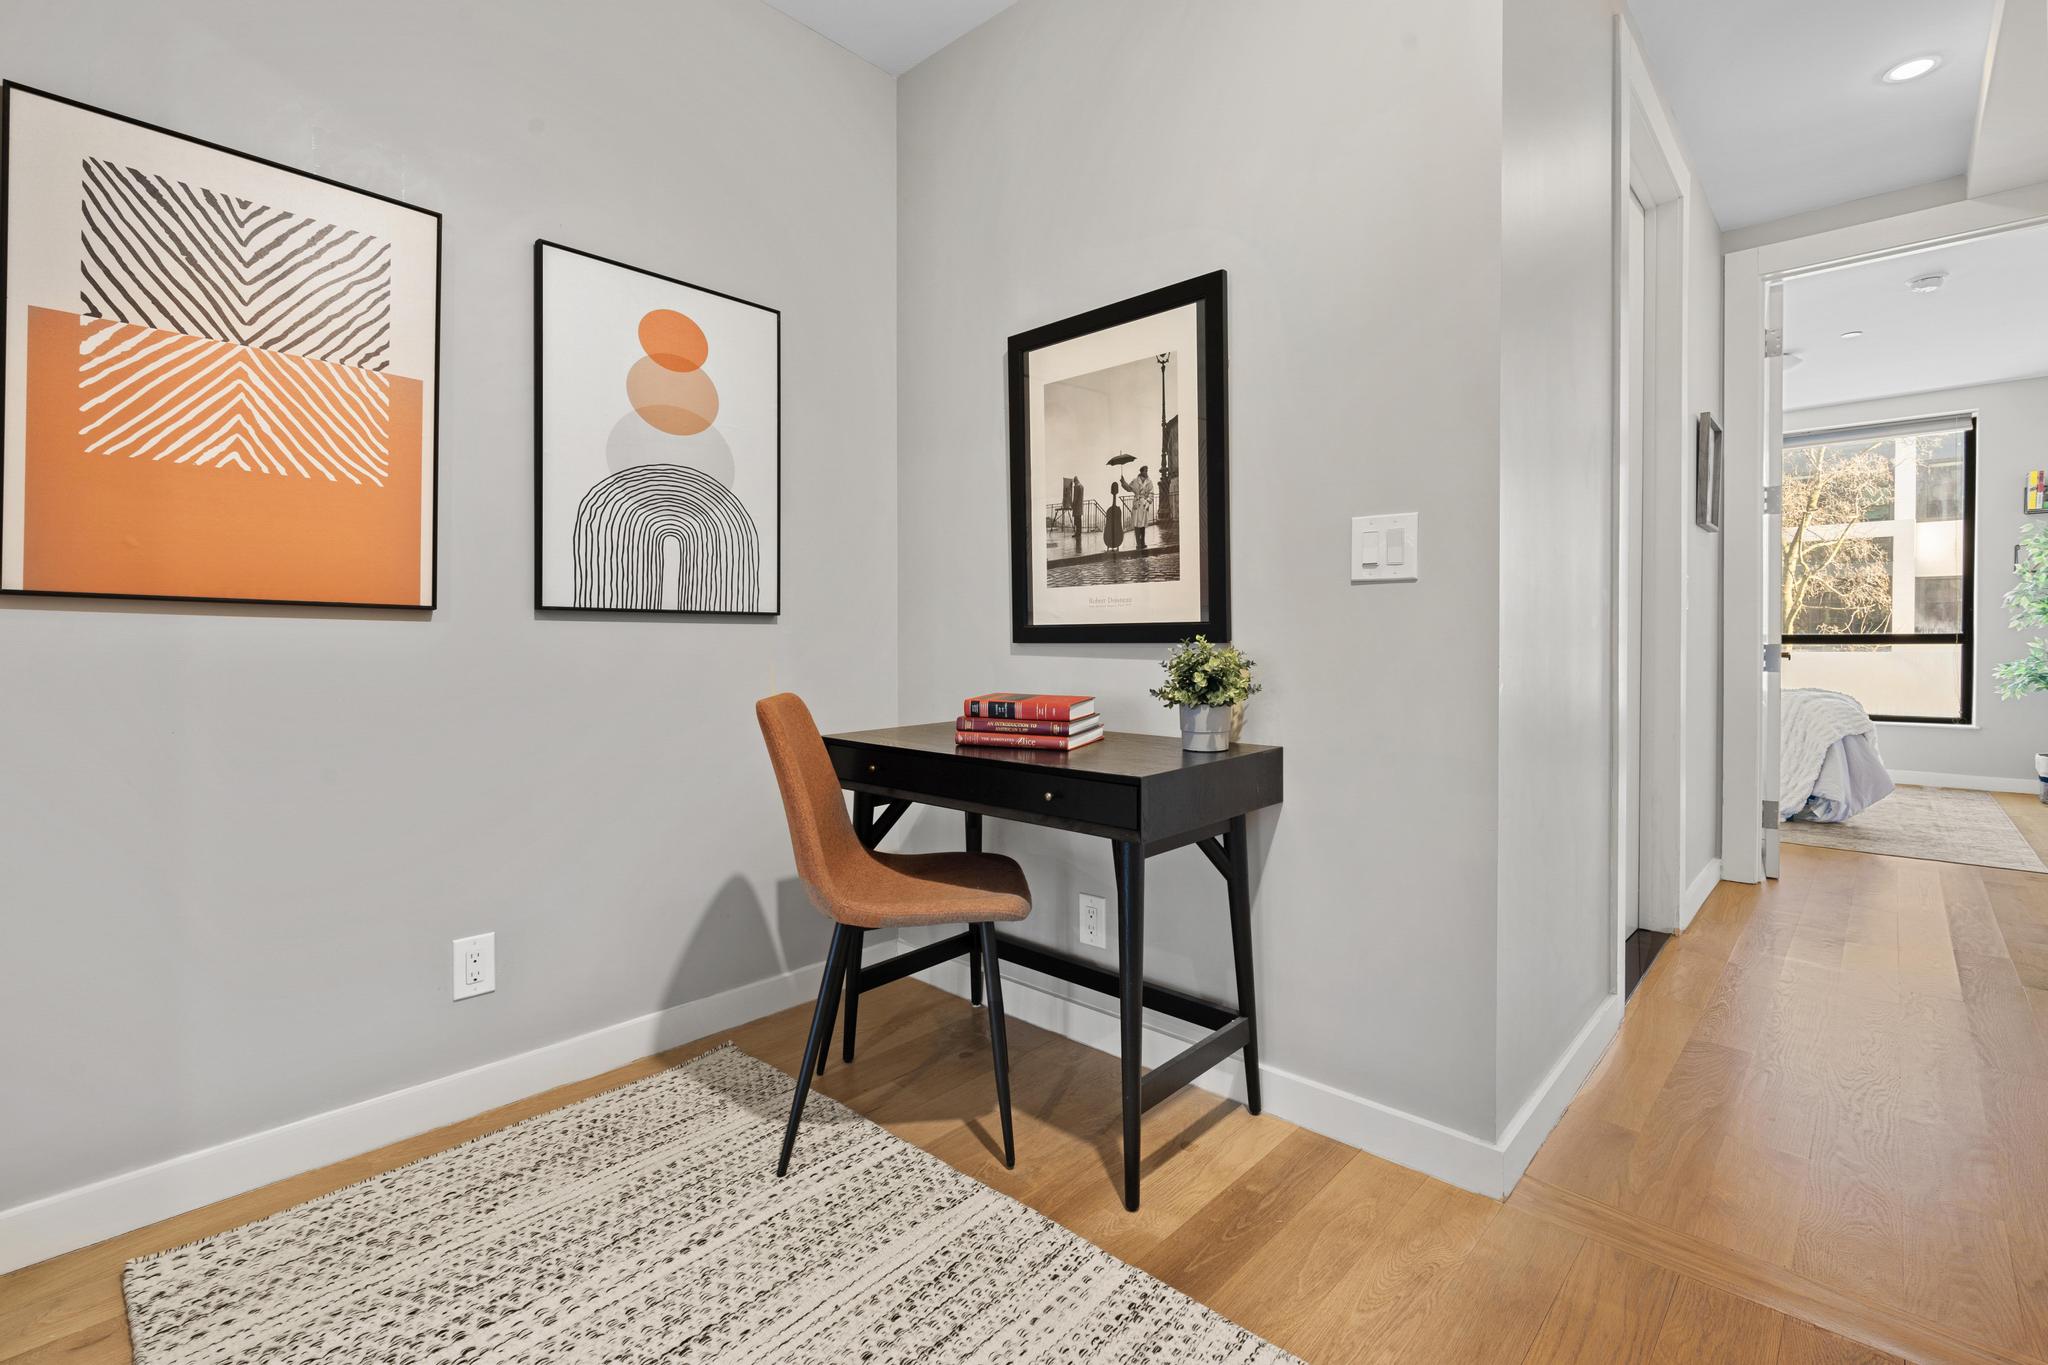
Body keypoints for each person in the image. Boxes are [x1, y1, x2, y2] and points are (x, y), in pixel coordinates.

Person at [1117, 465, 1156, 552]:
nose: (1146, 472)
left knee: (1142, 525)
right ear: (1141, 472)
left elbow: (1151, 493)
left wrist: (1148, 501)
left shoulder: (1149, 482)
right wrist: (1123, 482)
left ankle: (1143, 542)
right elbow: (1129, 488)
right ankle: (1138, 543)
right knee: (1136, 525)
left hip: (1144, 505)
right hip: (1136, 504)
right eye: (1145, 471)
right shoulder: (1135, 481)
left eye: (1147, 471)